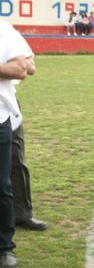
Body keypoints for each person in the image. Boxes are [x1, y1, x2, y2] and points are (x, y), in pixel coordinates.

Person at [0, 20, 31, 268]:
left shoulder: (3, 29)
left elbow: (22, 68)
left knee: (2, 185)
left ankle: (5, 247)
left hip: (0, 118)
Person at [12, 52, 47, 232]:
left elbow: (29, 66)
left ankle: (22, 213)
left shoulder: (8, 33)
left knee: (16, 160)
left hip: (7, 104)